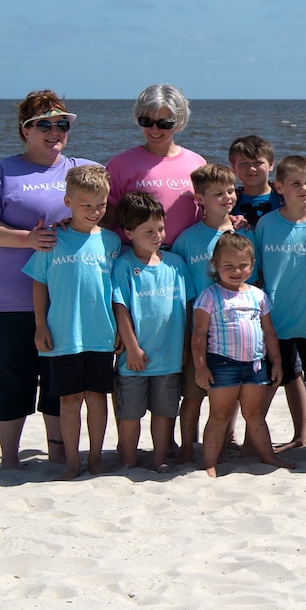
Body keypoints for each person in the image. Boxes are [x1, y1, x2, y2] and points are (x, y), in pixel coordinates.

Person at [0, 90, 89, 468]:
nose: (55, 132)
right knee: (12, 373)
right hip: (7, 296)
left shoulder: (82, 168)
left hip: (66, 296)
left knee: (60, 377)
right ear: (26, 130)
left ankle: (57, 451)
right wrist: (28, 239)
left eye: (61, 124)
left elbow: (111, 213)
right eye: (44, 124)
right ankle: (9, 458)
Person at [27, 163, 120, 479]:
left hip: (102, 334)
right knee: (69, 400)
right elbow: (39, 282)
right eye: (86, 205)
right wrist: (40, 324)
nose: (94, 211)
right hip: (63, 333)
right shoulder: (52, 239)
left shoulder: (112, 242)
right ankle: (71, 462)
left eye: (101, 205)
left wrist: (122, 329)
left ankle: (95, 459)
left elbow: (119, 291)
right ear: (68, 203)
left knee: (97, 399)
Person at [191, 233, 292, 477]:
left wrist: (276, 362)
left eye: (243, 265)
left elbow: (269, 332)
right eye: (229, 266)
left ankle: (268, 456)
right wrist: (201, 367)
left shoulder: (258, 295)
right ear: (215, 265)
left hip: (255, 365)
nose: (236, 271)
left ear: (252, 264)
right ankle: (210, 463)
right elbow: (199, 336)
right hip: (222, 365)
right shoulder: (209, 296)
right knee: (219, 415)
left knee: (255, 415)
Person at [253, 155, 306, 451]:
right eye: (296, 183)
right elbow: (256, 270)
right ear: (279, 187)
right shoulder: (266, 224)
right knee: (281, 377)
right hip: (277, 319)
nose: (304, 189)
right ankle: (277, 437)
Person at [167, 163, 241, 463]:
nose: (227, 198)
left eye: (231, 190)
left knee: (226, 394)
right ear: (199, 199)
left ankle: (223, 445)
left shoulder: (241, 232)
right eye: (218, 193)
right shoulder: (187, 239)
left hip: (233, 327)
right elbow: (181, 288)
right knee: (194, 394)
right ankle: (187, 447)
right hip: (198, 328)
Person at [110, 191, 186, 473]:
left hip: (169, 354)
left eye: (161, 229)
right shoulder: (124, 266)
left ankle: (159, 457)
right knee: (130, 413)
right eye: (148, 231)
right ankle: (128, 457)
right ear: (129, 232)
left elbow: (185, 307)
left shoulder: (175, 264)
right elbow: (121, 308)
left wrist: (187, 346)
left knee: (165, 411)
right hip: (135, 357)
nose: (157, 235)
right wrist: (132, 347)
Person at [105, 84, 207, 243]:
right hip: (136, 258)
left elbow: (210, 210)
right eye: (146, 121)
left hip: (186, 258)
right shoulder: (120, 164)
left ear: (178, 122)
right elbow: (104, 217)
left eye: (163, 124)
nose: (154, 129)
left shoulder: (197, 163)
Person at [228, 135, 282, 230]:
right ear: (233, 167)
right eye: (244, 164)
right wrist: (227, 220)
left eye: (257, 163)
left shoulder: (285, 197)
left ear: (271, 164)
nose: (251, 168)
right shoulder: (229, 200)